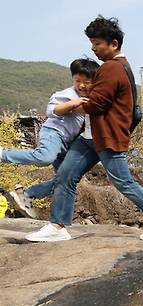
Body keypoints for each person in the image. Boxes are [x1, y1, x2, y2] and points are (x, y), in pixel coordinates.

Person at [25, 16, 143, 242]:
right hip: (90, 138)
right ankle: (57, 227)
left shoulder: (112, 68)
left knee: (123, 182)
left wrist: (65, 108)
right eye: (92, 43)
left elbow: (96, 104)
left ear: (113, 44)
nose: (93, 49)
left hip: (107, 136)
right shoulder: (119, 68)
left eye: (97, 44)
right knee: (66, 175)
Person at [2, 59, 99, 218]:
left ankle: (27, 195)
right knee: (45, 157)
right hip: (53, 133)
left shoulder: (91, 98)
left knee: (67, 178)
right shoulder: (68, 94)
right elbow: (52, 110)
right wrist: (73, 103)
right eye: (77, 81)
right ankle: (3, 154)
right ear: (72, 80)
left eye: (86, 82)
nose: (81, 85)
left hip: (66, 144)